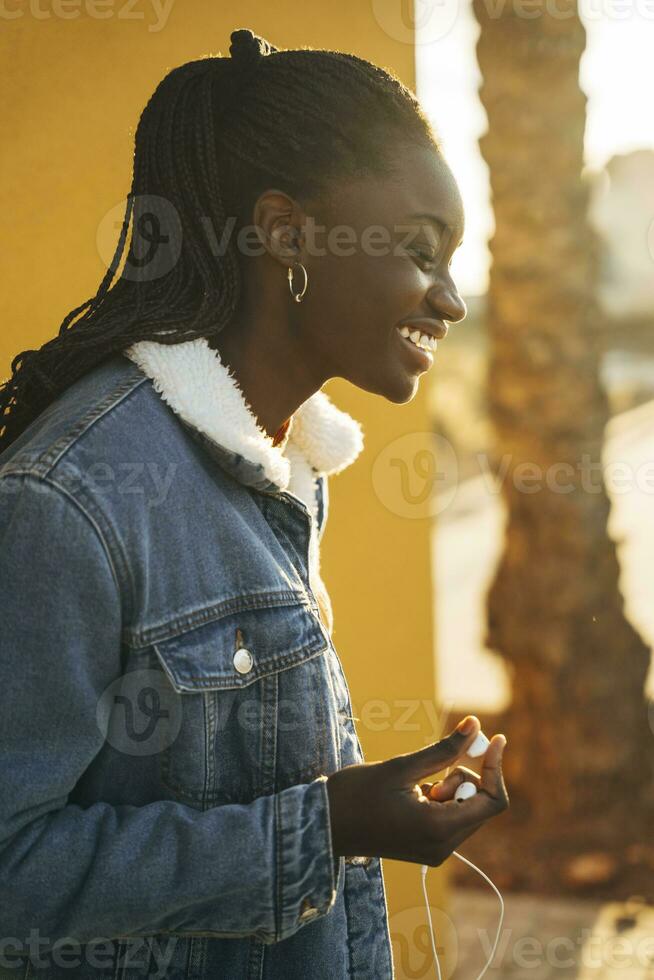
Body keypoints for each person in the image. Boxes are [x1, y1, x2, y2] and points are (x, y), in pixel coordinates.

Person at [0, 28, 509, 980]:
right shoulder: (71, 501)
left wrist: (365, 806)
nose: (450, 301)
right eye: (420, 250)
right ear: (285, 232)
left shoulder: (283, 462)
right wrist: (331, 826)